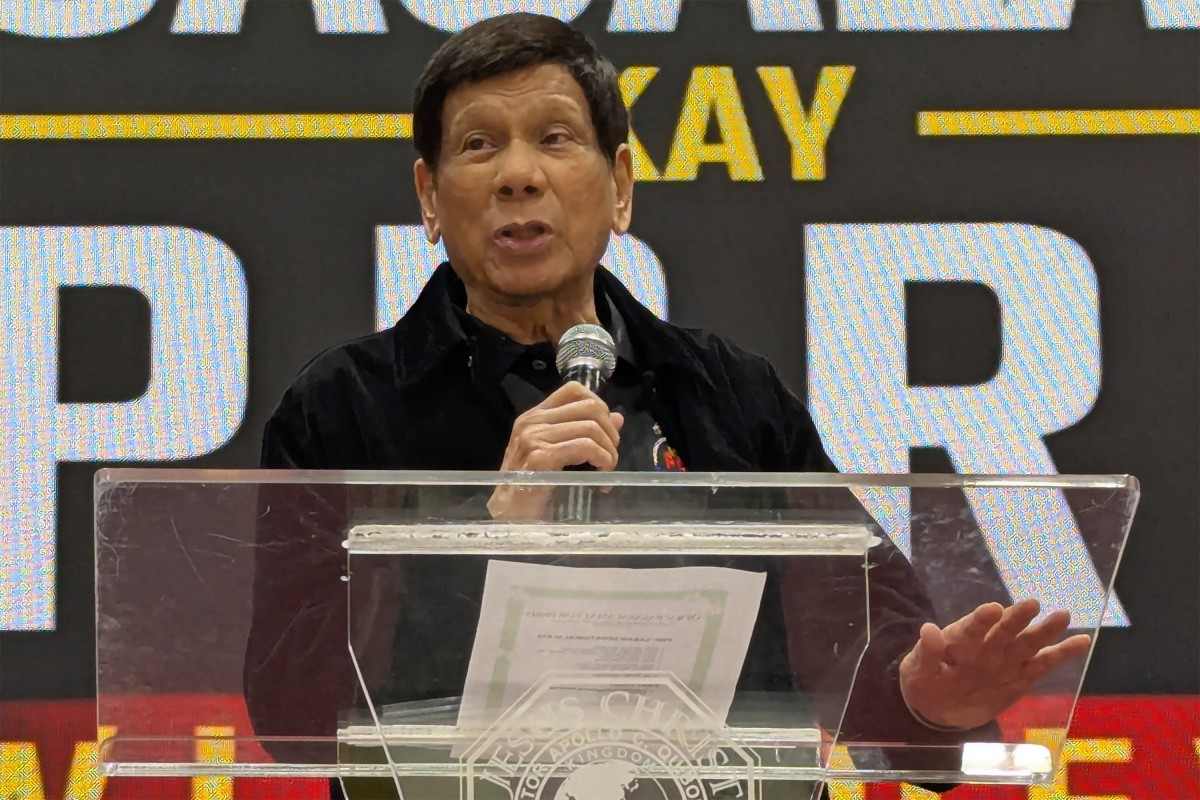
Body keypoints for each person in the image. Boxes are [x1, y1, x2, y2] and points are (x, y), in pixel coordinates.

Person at [248, 12, 1089, 797]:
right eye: (479, 145)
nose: (518, 176)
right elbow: (291, 707)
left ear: (619, 185)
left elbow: (859, 630)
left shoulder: (730, 396)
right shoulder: (343, 409)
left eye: (555, 139)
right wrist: (481, 534)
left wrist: (926, 704)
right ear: (430, 197)